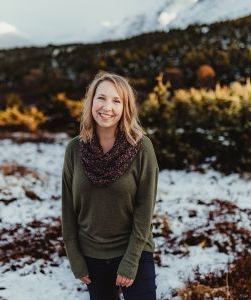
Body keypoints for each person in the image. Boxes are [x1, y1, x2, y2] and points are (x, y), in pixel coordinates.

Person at [61, 71, 159, 300]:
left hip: (134, 251)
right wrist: (74, 256)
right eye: (101, 98)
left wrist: (131, 260)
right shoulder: (75, 149)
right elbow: (68, 208)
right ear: (91, 102)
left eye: (116, 101)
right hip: (91, 257)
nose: (107, 107)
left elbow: (145, 209)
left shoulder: (141, 147)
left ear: (126, 108)